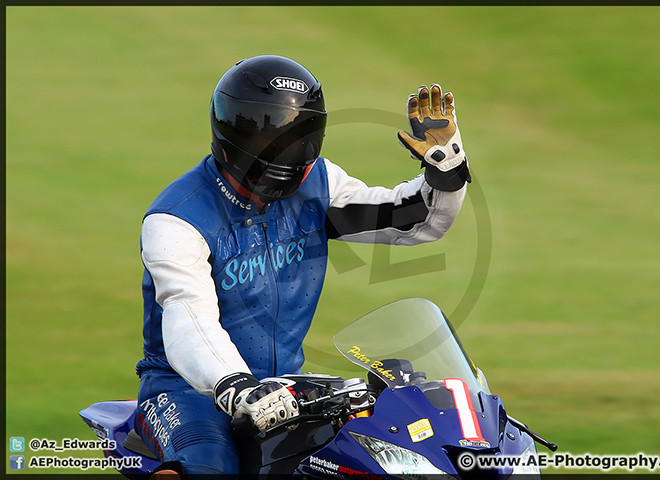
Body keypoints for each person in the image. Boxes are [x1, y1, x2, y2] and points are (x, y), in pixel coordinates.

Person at [134, 54, 471, 479]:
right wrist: (235, 387)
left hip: (287, 387)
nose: (294, 154)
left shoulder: (317, 186)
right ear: (238, 132)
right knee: (208, 466)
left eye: (303, 136)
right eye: (278, 138)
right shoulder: (177, 219)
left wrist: (446, 168)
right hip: (188, 389)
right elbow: (189, 318)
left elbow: (411, 220)